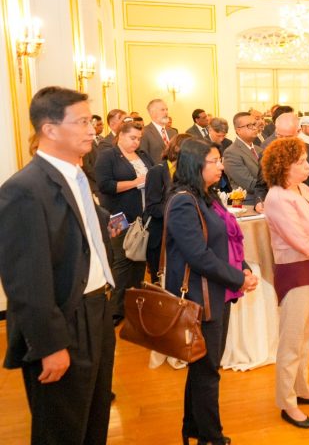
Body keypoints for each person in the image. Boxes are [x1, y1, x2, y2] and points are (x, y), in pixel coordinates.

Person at [0, 86, 116, 444]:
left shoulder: (79, 176)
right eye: (81, 122)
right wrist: (49, 345)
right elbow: (25, 280)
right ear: (50, 129)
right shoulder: (25, 189)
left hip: (97, 309)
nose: (91, 129)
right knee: (62, 428)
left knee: (94, 417)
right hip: (65, 317)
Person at [166, 139, 258, 445]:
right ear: (195, 165)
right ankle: (210, 436)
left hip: (217, 291)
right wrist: (238, 278)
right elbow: (198, 255)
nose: (221, 166)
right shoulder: (183, 201)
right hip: (199, 296)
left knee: (205, 366)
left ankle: (195, 428)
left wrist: (242, 267)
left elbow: (228, 237)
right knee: (207, 369)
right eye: (214, 161)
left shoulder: (206, 196)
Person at [261, 138, 309, 429]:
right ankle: (287, 402)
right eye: (301, 162)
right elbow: (299, 240)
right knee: (291, 340)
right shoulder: (277, 197)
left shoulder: (302, 189)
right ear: (284, 167)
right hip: (296, 270)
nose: (308, 166)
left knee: (307, 335)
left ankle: (302, 387)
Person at [95, 120, 153, 324]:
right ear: (120, 135)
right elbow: (105, 185)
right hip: (117, 216)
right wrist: (135, 183)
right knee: (121, 261)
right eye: (132, 138)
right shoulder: (107, 156)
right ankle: (115, 310)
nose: (136, 142)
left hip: (144, 216)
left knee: (139, 261)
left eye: (139, 138)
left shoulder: (143, 156)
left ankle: (135, 305)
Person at [144, 133, 192, 282]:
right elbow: (152, 207)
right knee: (160, 283)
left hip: (181, 235)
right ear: (178, 149)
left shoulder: (188, 173)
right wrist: (179, 210)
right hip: (160, 237)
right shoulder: (156, 172)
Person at [223, 111, 268, 210]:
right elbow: (249, 184)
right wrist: (273, 187)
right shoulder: (231, 152)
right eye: (249, 125)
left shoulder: (259, 149)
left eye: (255, 124)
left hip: (266, 199)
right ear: (238, 130)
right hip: (247, 204)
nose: (255, 128)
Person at [140, 99, 178, 164]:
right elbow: (144, 157)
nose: (166, 112)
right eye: (162, 110)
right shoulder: (144, 132)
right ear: (152, 113)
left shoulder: (173, 132)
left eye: (167, 109)